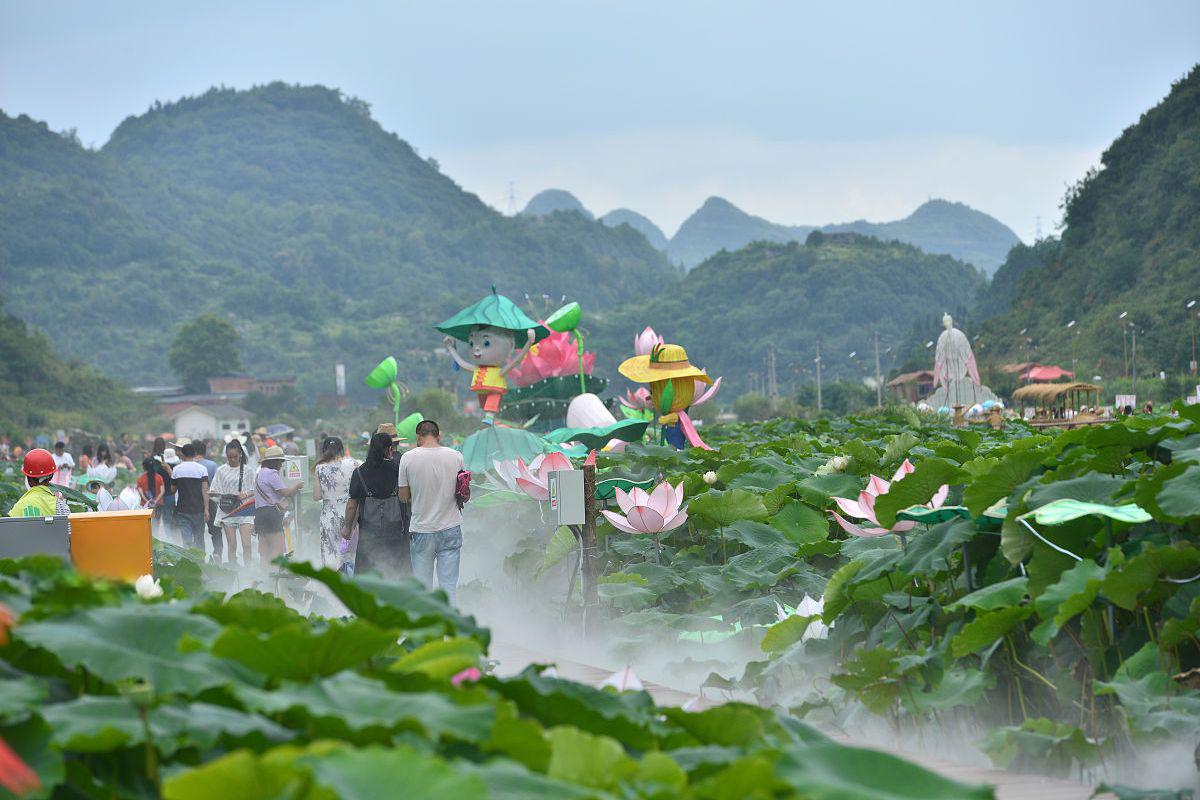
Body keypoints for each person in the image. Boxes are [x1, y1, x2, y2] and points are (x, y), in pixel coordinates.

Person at [398, 420, 465, 605]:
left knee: (423, 589)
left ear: (418, 437)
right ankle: (448, 631)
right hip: (450, 527)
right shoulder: (456, 456)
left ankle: (428, 632)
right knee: (448, 587)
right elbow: (463, 492)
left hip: (422, 529)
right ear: (438, 435)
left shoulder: (407, 458)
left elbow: (403, 496)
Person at [341, 433, 407, 577]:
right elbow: (406, 498)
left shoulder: (359, 472)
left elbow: (352, 504)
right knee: (395, 572)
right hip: (394, 532)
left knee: (367, 574)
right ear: (390, 449)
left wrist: (347, 527)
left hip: (368, 533)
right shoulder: (398, 470)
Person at [211, 439, 257, 566]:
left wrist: (245, 494)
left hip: (244, 509)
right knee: (232, 545)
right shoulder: (221, 470)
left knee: (247, 545)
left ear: (240, 455)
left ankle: (248, 569)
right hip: (227, 509)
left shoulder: (248, 470)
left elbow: (255, 489)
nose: (232, 459)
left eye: (235, 457)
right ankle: (233, 569)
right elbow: (214, 489)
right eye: (229, 457)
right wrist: (216, 494)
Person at [313, 436, 356, 568]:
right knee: (349, 553)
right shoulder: (352, 464)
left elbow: (316, 496)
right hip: (349, 514)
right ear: (341, 450)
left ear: (324, 450)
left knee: (330, 554)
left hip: (329, 517)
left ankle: (332, 585)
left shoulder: (319, 468)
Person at [253, 445, 301, 564]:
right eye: (280, 461)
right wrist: (297, 485)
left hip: (260, 514)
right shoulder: (271, 473)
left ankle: (264, 576)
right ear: (274, 462)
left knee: (264, 549)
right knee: (277, 547)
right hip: (271, 514)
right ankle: (274, 575)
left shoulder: (260, 473)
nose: (281, 464)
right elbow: (286, 492)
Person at [172, 444, 211, 552]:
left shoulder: (176, 470)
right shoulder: (202, 469)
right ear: (194, 454)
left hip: (182, 509)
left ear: (182, 454)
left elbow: (172, 490)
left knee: (186, 540)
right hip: (198, 509)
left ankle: (189, 562)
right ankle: (202, 564)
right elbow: (205, 489)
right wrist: (206, 509)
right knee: (199, 539)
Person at [8, 449, 69, 517]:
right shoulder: (61, 507)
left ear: (28, 479)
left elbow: (10, 526)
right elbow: (68, 526)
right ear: (51, 477)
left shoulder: (18, 506)